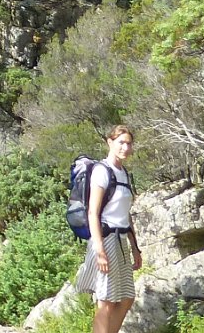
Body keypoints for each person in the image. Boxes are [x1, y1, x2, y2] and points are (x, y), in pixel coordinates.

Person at [75, 124, 141, 333]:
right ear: (110, 142)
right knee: (106, 301)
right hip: (105, 239)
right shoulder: (102, 171)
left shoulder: (124, 174)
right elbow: (93, 212)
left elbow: (125, 214)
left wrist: (135, 248)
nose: (125, 148)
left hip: (121, 240)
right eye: (121, 142)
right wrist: (99, 250)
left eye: (129, 143)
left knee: (127, 297)